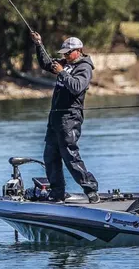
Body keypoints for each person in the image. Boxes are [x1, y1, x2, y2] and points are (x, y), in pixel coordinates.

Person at [30, 32, 100, 204]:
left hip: (70, 118)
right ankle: (57, 193)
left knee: (70, 156)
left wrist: (62, 73)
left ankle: (91, 190)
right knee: (50, 156)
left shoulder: (84, 67)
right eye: (64, 54)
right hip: (55, 118)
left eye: (68, 53)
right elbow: (47, 63)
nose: (65, 56)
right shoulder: (65, 63)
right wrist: (39, 45)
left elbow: (77, 87)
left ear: (78, 51)